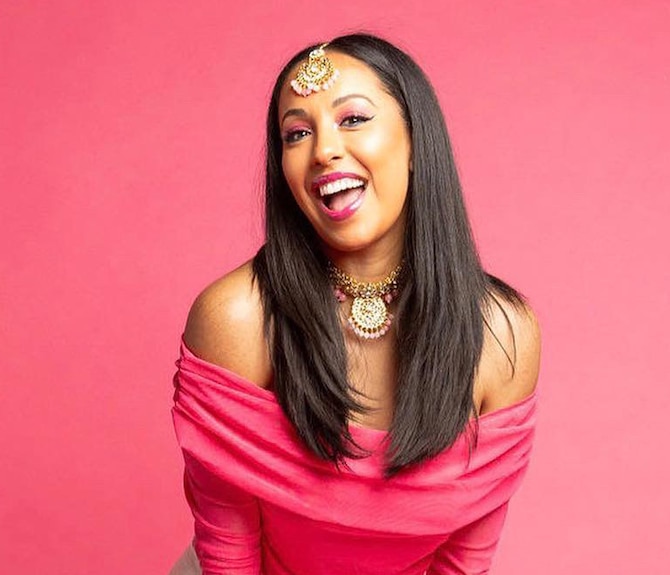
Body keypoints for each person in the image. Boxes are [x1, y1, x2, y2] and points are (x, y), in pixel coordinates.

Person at [170, 33, 541, 575]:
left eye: (353, 120)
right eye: (297, 133)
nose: (322, 150)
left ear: (416, 142)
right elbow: (229, 548)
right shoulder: (239, 318)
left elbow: (465, 558)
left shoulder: (503, 334)